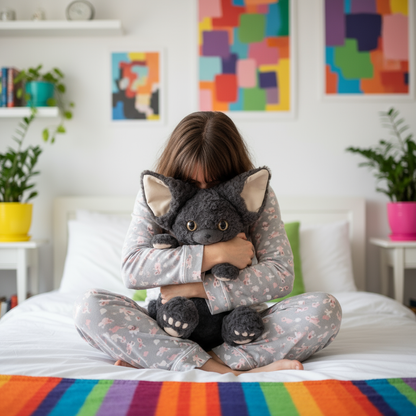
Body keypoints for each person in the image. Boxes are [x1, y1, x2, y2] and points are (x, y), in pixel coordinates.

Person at [74, 111, 342, 376]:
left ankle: (188, 360)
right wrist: (213, 254)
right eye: (191, 182)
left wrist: (199, 289)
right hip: (167, 325)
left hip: (240, 330)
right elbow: (132, 269)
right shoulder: (156, 193)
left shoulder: (255, 193)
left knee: (325, 310)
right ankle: (230, 370)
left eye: (214, 182)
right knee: (90, 309)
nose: (202, 192)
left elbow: (281, 276)